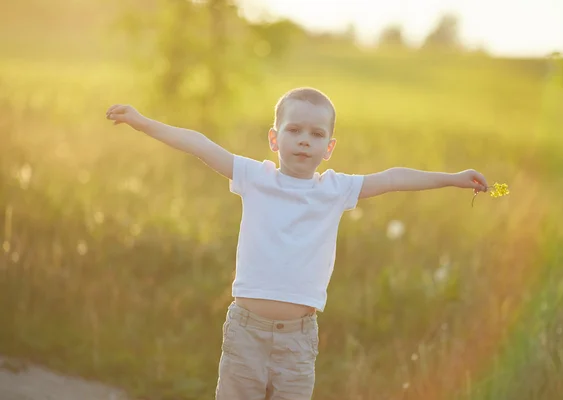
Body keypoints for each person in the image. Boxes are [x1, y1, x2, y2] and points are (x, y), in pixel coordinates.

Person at [105, 87, 488, 399]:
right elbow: (199, 144)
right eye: (295, 131)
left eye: (316, 135)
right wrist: (141, 122)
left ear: (329, 147)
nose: (305, 142)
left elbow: (391, 178)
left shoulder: (335, 190)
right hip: (246, 334)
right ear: (275, 138)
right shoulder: (255, 178)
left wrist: (453, 177)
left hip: (298, 342)